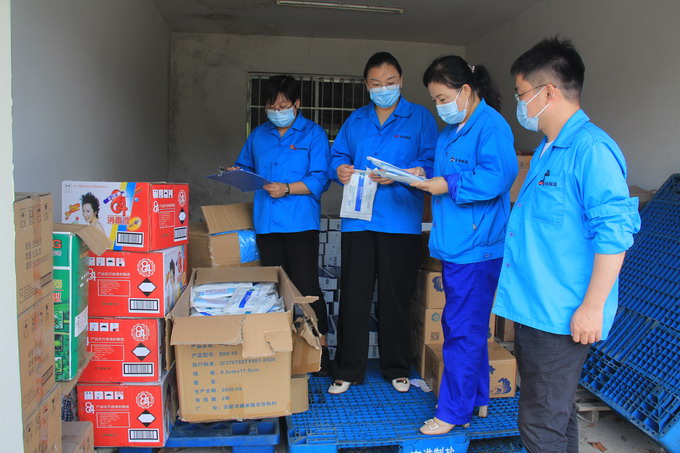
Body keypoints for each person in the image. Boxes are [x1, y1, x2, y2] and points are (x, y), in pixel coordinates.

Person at [492, 37, 641, 453]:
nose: (520, 104)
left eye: (521, 93)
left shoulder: (591, 150)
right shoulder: (548, 150)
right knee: (554, 415)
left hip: (562, 315)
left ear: (548, 93)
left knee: (540, 425)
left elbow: (615, 233)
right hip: (537, 308)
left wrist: (592, 307)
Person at [410, 56, 518, 434]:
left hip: (477, 247)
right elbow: (446, 171)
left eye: (443, 98)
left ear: (466, 90)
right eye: (435, 101)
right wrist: (423, 173)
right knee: (468, 328)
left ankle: (453, 413)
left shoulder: (491, 127)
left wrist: (447, 184)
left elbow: (498, 176)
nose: (440, 106)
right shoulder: (451, 130)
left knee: (461, 330)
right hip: (458, 243)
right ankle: (476, 399)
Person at [328, 51, 437, 394]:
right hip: (358, 220)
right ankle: (348, 369)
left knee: (395, 297)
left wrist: (409, 173)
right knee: (355, 296)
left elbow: (433, 162)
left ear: (401, 81)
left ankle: (396, 368)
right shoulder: (356, 120)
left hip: (400, 221)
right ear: (366, 85)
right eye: (376, 83)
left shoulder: (420, 118)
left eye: (390, 82)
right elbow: (337, 156)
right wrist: (339, 169)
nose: (383, 88)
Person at [231, 75, 332, 375]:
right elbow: (246, 166)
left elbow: (320, 179)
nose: (277, 111)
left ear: (296, 104)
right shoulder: (258, 135)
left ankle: (321, 355)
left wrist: (287, 188)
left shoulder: (313, 134)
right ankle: (281, 354)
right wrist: (237, 172)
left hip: (300, 223)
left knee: (306, 287)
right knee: (273, 290)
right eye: (271, 106)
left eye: (283, 105)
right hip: (267, 223)